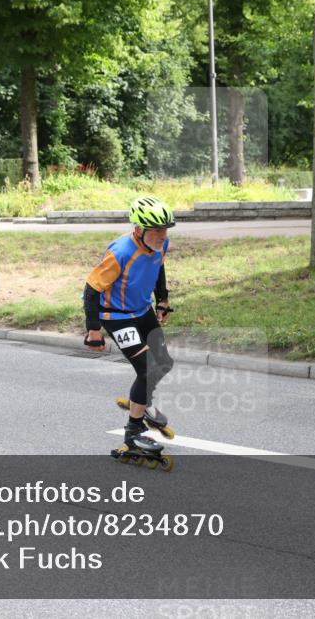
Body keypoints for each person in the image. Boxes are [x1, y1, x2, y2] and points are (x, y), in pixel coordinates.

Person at [83, 196, 176, 470]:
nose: (162, 235)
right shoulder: (120, 253)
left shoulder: (161, 244)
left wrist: (162, 300)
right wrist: (94, 330)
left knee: (164, 363)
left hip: (141, 310)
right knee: (148, 368)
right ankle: (133, 432)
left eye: (164, 229)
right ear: (138, 229)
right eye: (155, 230)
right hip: (116, 316)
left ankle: (141, 403)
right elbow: (91, 290)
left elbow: (158, 268)